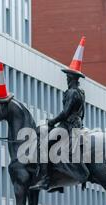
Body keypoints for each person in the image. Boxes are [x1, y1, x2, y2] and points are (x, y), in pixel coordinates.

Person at [30, 37, 89, 191]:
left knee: (45, 145)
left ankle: (46, 179)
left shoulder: (72, 92)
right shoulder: (81, 92)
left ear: (72, 78)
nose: (66, 78)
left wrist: (52, 121)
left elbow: (65, 112)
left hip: (68, 126)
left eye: (68, 76)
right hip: (78, 124)